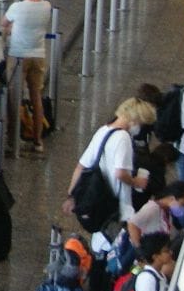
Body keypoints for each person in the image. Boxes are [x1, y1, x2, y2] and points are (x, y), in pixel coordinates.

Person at [63, 98, 156, 252]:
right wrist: (136, 182)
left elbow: (81, 166)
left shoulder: (103, 131)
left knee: (101, 243)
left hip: (99, 200)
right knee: (114, 249)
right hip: (115, 204)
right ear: (135, 119)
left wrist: (71, 195)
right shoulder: (123, 138)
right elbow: (120, 173)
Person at [2, 0, 53, 153]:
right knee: (36, 97)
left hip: (18, 56)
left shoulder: (17, 7)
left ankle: (12, 139)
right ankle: (38, 139)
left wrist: (12, 28)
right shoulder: (46, 6)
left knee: (14, 98)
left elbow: (4, 23)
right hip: (38, 55)